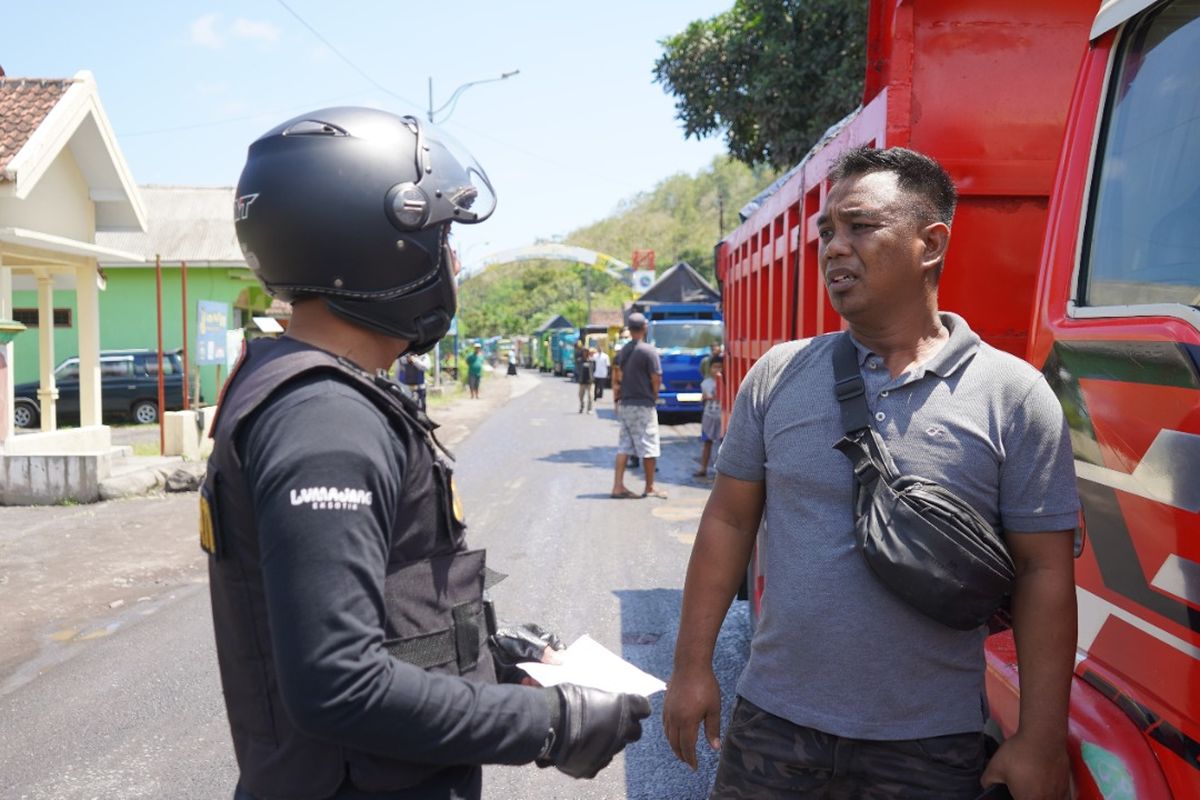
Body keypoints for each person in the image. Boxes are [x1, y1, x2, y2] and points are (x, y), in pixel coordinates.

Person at [205, 107, 649, 800]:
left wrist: (489, 659)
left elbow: (382, 611)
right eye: (443, 239)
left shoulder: (320, 393)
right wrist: (552, 721)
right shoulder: (326, 420)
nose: (454, 262)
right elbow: (339, 682)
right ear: (382, 242)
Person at [662, 146, 1078, 800]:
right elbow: (729, 520)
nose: (833, 247)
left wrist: (1040, 738)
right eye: (826, 231)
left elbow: (1045, 572)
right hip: (775, 727)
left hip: (929, 746)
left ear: (930, 243)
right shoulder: (778, 376)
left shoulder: (1013, 396)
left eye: (859, 227)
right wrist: (691, 669)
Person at [610, 312, 666, 499]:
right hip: (643, 404)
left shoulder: (623, 351)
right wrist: (655, 395)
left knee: (624, 445)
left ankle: (618, 486)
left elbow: (617, 376)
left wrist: (617, 397)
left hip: (626, 402)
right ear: (644, 328)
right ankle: (649, 487)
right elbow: (656, 377)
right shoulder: (649, 351)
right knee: (649, 444)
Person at [693, 355, 723, 480]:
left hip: (721, 417)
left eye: (719, 367)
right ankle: (703, 468)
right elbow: (707, 397)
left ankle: (721, 471)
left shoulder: (726, 382)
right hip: (709, 416)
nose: (717, 370)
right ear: (709, 368)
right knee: (707, 442)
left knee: (723, 446)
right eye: (714, 367)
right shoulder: (705, 383)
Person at [577, 349, 595, 414]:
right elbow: (578, 369)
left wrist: (592, 378)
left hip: (590, 382)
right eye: (584, 352)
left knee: (591, 396)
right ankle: (582, 406)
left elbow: (594, 369)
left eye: (586, 352)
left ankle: (589, 409)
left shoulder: (592, 361)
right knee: (580, 396)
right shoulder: (580, 361)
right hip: (582, 381)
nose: (585, 353)